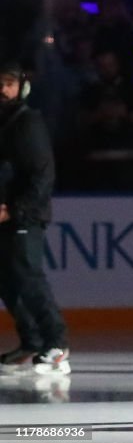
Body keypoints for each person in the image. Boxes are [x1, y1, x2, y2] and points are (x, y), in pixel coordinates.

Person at [0, 62, 68, 375]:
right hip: (6, 215)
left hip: (23, 216)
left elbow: (42, 174)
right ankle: (31, 341)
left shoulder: (27, 122)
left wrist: (15, 210)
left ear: (21, 87)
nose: (4, 89)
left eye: (9, 83)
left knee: (28, 276)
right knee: (8, 281)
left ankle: (56, 344)